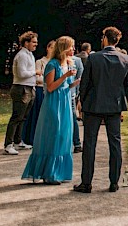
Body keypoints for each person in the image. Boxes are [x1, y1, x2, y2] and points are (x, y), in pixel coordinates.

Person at [73, 26, 128, 193]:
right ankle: (114, 182)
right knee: (115, 143)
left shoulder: (94, 58)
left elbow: (85, 82)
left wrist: (82, 101)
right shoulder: (125, 59)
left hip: (93, 104)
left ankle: (86, 183)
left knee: (89, 144)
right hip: (114, 105)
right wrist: (122, 100)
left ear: (106, 38)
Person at [21, 37, 77, 185]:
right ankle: (49, 173)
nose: (73, 50)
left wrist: (77, 82)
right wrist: (65, 76)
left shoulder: (68, 63)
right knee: (54, 134)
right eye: (71, 47)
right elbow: (50, 87)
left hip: (64, 102)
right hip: (54, 103)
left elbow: (68, 86)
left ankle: (60, 172)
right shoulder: (52, 64)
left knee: (64, 135)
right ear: (64, 48)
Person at [4, 31, 39, 156]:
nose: (36, 44)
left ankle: (18, 141)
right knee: (16, 117)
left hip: (29, 88)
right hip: (21, 88)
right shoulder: (22, 55)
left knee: (23, 117)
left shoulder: (29, 55)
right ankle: (8, 144)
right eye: (33, 42)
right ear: (26, 43)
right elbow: (21, 74)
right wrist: (35, 72)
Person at [21, 39, 55, 149]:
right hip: (41, 89)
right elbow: (37, 77)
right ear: (47, 48)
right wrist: (47, 79)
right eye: (51, 47)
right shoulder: (40, 62)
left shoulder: (56, 62)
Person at [71, 50, 84, 154]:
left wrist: (78, 93)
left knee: (72, 118)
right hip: (60, 95)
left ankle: (77, 143)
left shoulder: (77, 60)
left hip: (72, 94)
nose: (73, 50)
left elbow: (80, 77)